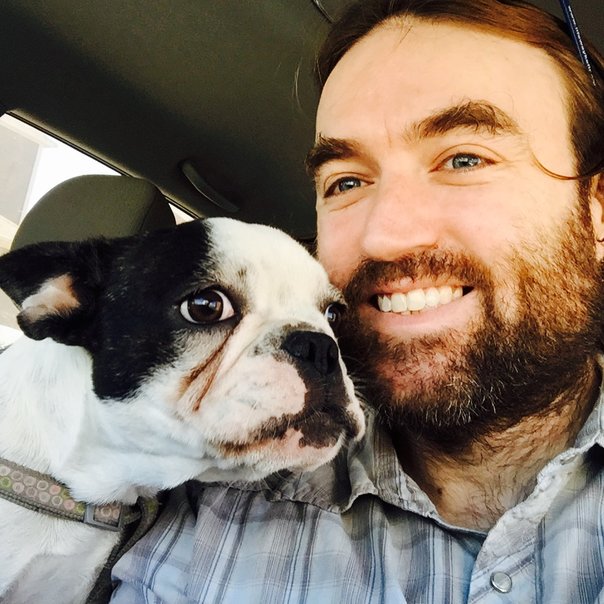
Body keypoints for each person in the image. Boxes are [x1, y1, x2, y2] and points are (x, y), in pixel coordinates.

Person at [110, 0, 604, 601]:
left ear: (598, 211)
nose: (385, 235)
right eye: (346, 182)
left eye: (464, 159)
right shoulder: (193, 489)